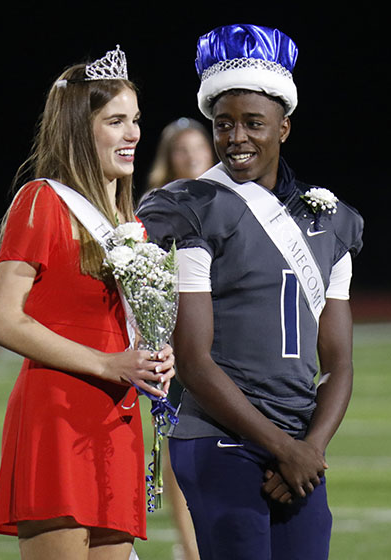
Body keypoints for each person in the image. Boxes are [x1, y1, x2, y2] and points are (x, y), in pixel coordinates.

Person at [137, 24, 364, 560]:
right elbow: (193, 361)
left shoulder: (330, 221)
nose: (236, 137)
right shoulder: (193, 206)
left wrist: (309, 449)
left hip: (297, 444)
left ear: (284, 127)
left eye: (253, 124)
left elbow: (338, 364)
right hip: (219, 435)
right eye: (223, 125)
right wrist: (286, 449)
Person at [0, 46, 175, 560]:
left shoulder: (129, 223)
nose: (133, 134)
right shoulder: (41, 200)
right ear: (79, 129)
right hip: (59, 417)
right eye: (116, 121)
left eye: (135, 120)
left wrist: (154, 356)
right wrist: (107, 362)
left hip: (117, 420)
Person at [143, 117, 215, 560]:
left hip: (225, 340)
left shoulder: (232, 198)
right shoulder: (156, 207)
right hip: (178, 341)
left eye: (198, 149)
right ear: (168, 159)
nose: (192, 158)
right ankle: (190, 548)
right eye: (181, 151)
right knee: (177, 446)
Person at [145, 117, 215, 192]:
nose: (191, 155)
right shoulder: (155, 199)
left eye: (199, 147)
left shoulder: (225, 193)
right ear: (168, 157)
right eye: (182, 149)